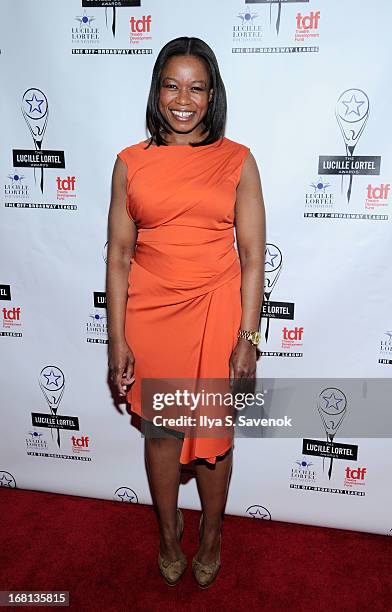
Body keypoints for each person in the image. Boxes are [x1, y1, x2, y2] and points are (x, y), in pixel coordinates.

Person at [106, 36, 265, 588]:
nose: (183, 99)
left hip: (217, 313)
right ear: (157, 91)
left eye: (197, 87)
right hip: (151, 315)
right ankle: (169, 532)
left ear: (212, 94)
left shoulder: (238, 161)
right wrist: (116, 338)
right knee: (161, 433)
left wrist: (247, 336)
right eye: (172, 85)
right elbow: (121, 255)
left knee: (212, 440)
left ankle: (213, 533)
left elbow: (251, 259)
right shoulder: (130, 163)